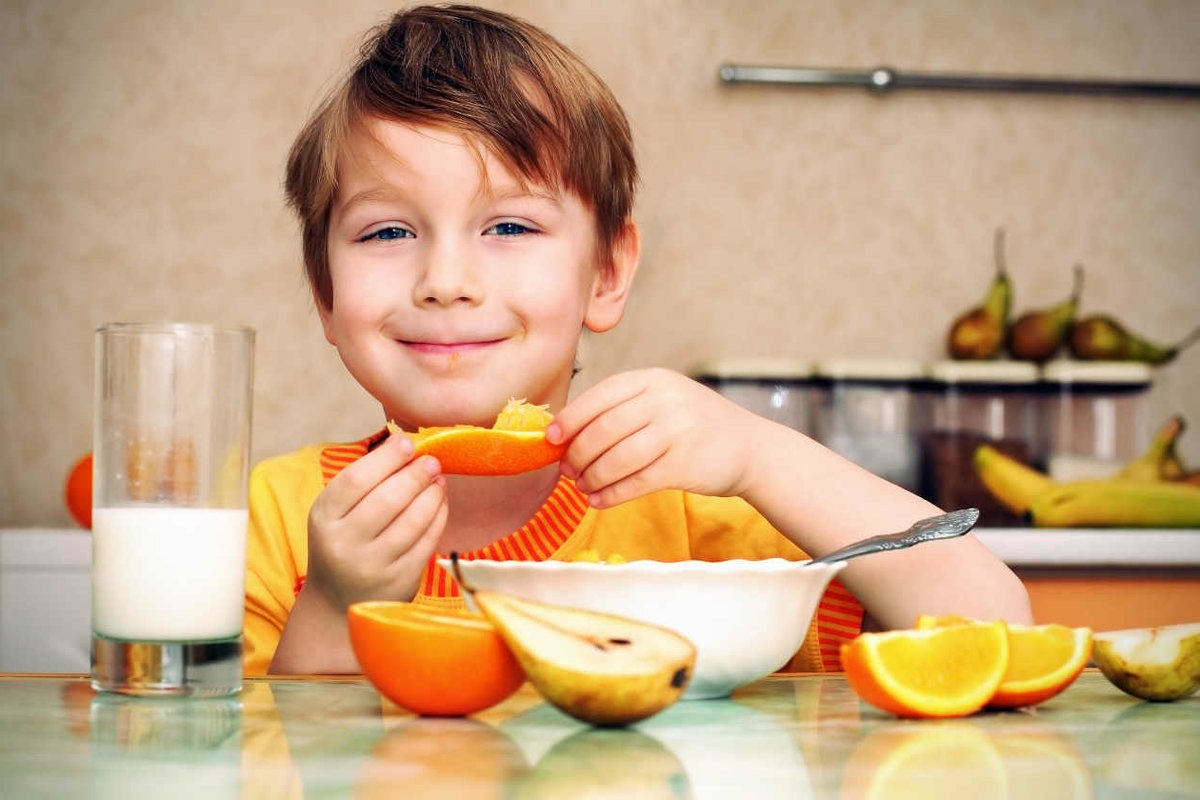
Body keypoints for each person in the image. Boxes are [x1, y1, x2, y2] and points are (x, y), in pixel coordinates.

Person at [244, 4, 1031, 675]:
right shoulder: (274, 516)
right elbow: (238, 759)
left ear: (607, 274)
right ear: (325, 292)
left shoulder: (696, 514)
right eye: (387, 231)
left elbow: (993, 629)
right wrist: (340, 604)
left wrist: (762, 456)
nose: (445, 280)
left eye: (510, 225)